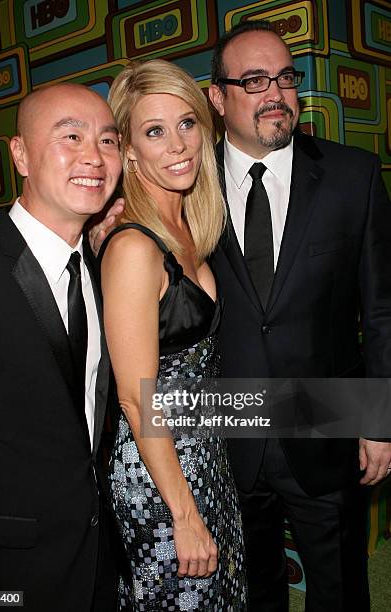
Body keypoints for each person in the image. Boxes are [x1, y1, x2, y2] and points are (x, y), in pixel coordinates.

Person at [207, 19, 391, 612]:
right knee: (253, 588)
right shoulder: (183, 185)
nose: (275, 94)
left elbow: (382, 308)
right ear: (218, 97)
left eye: (285, 78)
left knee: (340, 588)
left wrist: (380, 422)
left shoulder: (352, 176)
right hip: (227, 431)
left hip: (328, 422)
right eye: (255, 80)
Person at [0, 83, 123, 611]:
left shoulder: (101, 272)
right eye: (70, 136)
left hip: (93, 557)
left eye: (108, 140)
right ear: (21, 155)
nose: (93, 156)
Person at [97, 59, 247, 610]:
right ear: (129, 151)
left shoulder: (189, 224)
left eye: (186, 123)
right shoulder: (135, 247)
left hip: (203, 457)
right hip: (157, 478)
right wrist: (183, 515)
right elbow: (137, 398)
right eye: (153, 131)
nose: (177, 144)